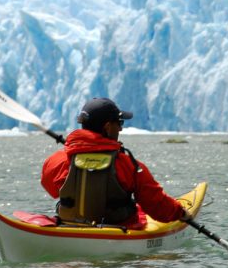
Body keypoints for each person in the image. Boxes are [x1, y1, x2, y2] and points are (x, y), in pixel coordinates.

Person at [41, 97, 191, 228]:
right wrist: (180, 212)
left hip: (69, 226)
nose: (120, 128)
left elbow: (51, 189)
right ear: (107, 127)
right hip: (118, 229)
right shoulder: (127, 164)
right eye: (119, 122)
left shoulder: (57, 160)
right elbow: (156, 206)